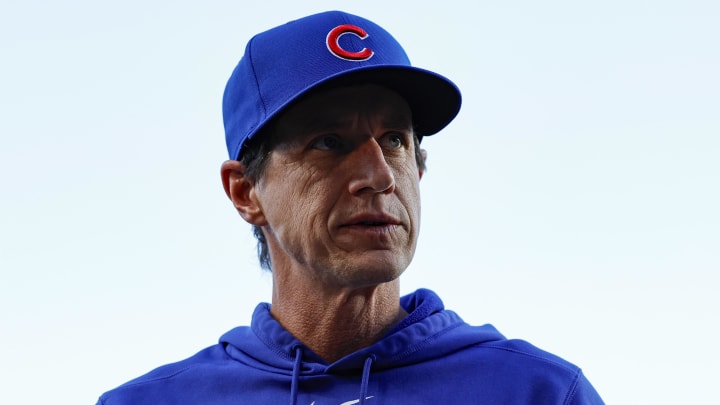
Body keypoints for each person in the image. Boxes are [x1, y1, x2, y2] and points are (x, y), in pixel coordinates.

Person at [97, 10, 604, 405]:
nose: (379, 175)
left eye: (394, 140)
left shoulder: (537, 393)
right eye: (330, 142)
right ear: (245, 193)